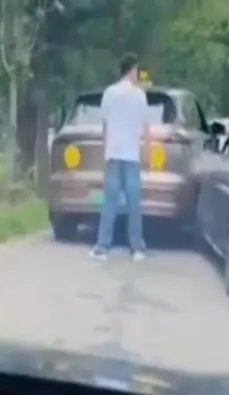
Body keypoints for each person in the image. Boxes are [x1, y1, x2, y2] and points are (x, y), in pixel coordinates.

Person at [90, 53, 150, 262]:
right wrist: (147, 152)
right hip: (132, 155)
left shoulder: (109, 93)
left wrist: (104, 152)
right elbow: (146, 128)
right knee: (134, 202)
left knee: (110, 201)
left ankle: (102, 247)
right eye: (137, 70)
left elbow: (105, 127)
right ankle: (136, 247)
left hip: (113, 154)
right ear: (132, 70)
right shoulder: (140, 96)